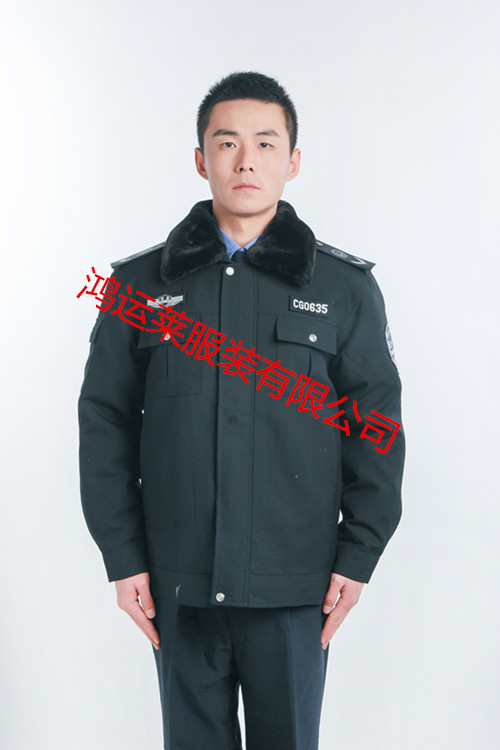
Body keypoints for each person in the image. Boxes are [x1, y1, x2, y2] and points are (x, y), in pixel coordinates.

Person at [78, 71, 405, 750]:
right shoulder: (138, 286)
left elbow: (376, 428)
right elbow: (104, 423)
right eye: (227, 143)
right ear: (202, 160)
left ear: (293, 160)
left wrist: (358, 556)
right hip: (177, 582)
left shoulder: (343, 288)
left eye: (265, 143)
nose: (246, 161)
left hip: (296, 587)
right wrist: (123, 557)